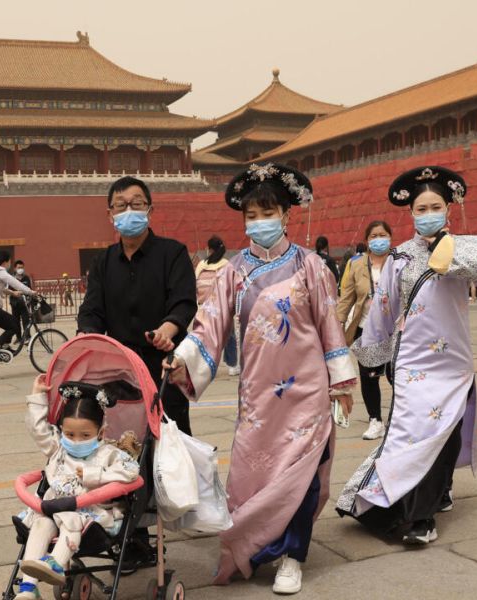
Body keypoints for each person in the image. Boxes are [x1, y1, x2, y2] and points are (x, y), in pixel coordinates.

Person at [165, 164, 356, 593]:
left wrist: (341, 382)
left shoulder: (310, 266)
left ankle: (292, 556)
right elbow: (210, 325)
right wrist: (183, 359)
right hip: (257, 396)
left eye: (267, 213)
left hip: (306, 389)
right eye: (251, 215)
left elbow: (329, 324)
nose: (258, 222)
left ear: (286, 215)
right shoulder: (233, 271)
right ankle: (254, 546)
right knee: (253, 476)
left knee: (302, 475)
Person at [336, 166, 477, 545]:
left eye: (435, 207)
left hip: (454, 360)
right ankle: (419, 516)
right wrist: (373, 357)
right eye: (421, 209)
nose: (428, 214)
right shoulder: (399, 258)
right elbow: (383, 309)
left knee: (448, 432)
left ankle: (441, 489)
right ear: (410, 213)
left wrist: (449, 249)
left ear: (448, 209)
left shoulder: (467, 247)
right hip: (412, 361)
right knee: (412, 435)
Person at [77, 175, 197, 435]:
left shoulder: (173, 253)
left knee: (172, 439)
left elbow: (184, 302)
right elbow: (92, 309)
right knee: (125, 442)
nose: (129, 210)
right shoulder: (102, 262)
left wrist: (166, 331)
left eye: (137, 204)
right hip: (120, 370)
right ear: (110, 214)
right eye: (121, 205)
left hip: (164, 367)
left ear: (149, 210)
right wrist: (86, 334)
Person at [15, 376, 139, 599]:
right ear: (61, 430)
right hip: (53, 508)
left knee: (71, 519)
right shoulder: (58, 449)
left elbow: (131, 472)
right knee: (40, 524)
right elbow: (38, 429)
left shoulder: (109, 454)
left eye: (85, 435)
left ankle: (55, 564)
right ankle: (28, 588)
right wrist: (37, 396)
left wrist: (95, 475)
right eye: (69, 434)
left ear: (101, 433)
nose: (76, 440)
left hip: (90, 514)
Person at [337, 220, 393, 441]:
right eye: (374, 236)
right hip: (366, 329)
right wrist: (338, 322)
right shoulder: (357, 265)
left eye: (383, 235)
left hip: (396, 330)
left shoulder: (398, 261)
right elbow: (347, 297)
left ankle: (400, 420)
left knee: (397, 376)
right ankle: (375, 420)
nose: (379, 240)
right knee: (369, 377)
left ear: (390, 237)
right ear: (367, 241)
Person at [195, 235, 239, 376]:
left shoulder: (202, 265)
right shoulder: (227, 264)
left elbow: (195, 284)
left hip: (204, 307)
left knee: (204, 336)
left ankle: (203, 365)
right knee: (229, 335)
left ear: (209, 249)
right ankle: (232, 365)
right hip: (222, 307)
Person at [9, 259, 34, 340]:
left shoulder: (26, 278)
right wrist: (15, 293)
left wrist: (28, 297)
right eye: (19, 267)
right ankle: (18, 338)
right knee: (16, 321)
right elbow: (8, 290)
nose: (20, 269)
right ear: (15, 268)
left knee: (26, 321)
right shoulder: (11, 278)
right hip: (15, 303)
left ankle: (27, 337)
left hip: (25, 303)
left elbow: (29, 289)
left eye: (22, 267)